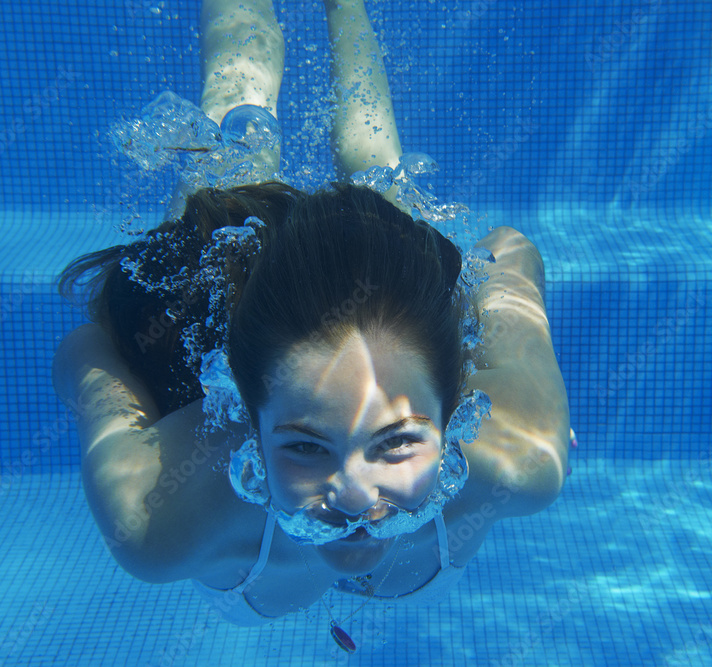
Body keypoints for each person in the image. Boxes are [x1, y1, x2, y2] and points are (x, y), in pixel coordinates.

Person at [52, 0, 570, 638]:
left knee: (379, 191)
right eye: (303, 445)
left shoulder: (521, 456)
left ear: (458, 409)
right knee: (223, 197)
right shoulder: (159, 518)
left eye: (399, 441)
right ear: (243, 411)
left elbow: (511, 250)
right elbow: (83, 351)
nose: (354, 501)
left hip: (374, 332)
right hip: (243, 332)